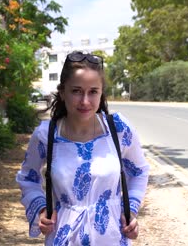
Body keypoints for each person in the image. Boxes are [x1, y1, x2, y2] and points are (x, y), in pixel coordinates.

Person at [16, 51, 150, 245]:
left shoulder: (119, 129)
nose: (85, 101)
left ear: (101, 93)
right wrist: (41, 209)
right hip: (64, 238)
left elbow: (139, 171)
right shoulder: (47, 135)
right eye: (76, 91)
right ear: (62, 92)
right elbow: (27, 177)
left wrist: (130, 209)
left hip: (111, 237)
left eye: (93, 91)